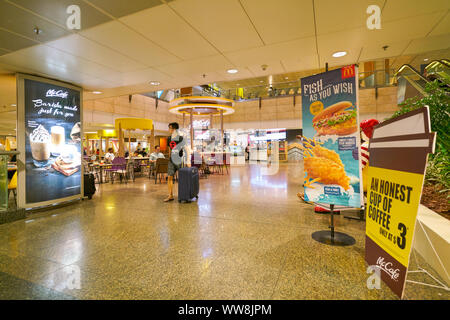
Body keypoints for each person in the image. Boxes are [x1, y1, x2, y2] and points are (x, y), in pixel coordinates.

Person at [164, 122, 185, 202]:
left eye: (170, 128)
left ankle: (183, 195)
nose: (169, 129)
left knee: (182, 178)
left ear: (174, 129)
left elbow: (185, 149)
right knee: (169, 176)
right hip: (171, 160)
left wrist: (187, 160)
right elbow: (170, 149)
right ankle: (170, 195)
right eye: (169, 128)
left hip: (179, 160)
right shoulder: (169, 138)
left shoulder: (181, 138)